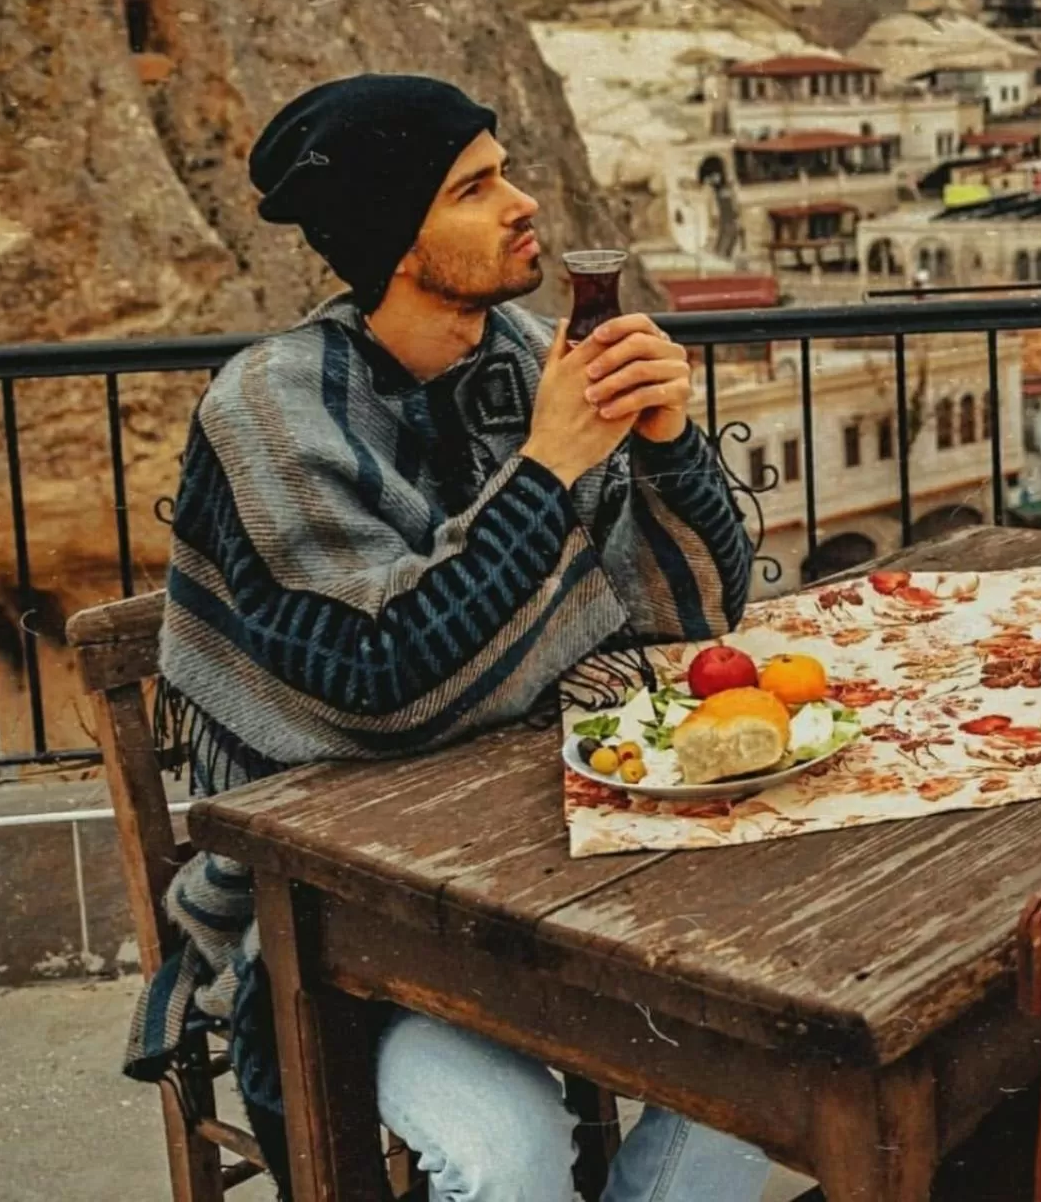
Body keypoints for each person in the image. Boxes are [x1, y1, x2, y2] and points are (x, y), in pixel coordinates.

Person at [126, 74, 765, 1202]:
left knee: (773, 1061)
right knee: (503, 1151)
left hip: (540, 865)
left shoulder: (522, 362)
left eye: (505, 171)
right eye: (474, 188)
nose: (523, 203)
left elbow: (692, 616)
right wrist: (551, 468)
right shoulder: (269, 412)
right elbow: (377, 681)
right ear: (391, 236)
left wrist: (666, 444)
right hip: (335, 915)